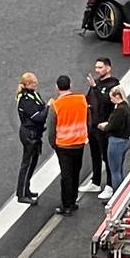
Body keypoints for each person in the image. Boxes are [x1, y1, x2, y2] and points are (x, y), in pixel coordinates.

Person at [50, 74, 90, 216]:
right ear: (70, 85)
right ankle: (73, 201)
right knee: (75, 172)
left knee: (66, 175)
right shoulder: (81, 99)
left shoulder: (56, 105)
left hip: (64, 145)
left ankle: (66, 205)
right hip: (79, 142)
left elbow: (51, 128)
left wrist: (53, 144)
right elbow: (88, 119)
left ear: (57, 87)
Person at [83, 59, 118, 191]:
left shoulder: (113, 84)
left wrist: (94, 87)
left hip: (104, 125)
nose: (97, 70)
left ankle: (109, 184)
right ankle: (95, 182)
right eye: (96, 67)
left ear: (108, 68)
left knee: (106, 156)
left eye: (100, 67)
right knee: (94, 154)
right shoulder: (96, 82)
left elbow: (106, 101)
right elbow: (89, 98)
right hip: (93, 124)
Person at [13, 73, 46, 205]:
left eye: (36, 82)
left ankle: (26, 189)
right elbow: (37, 116)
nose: (35, 85)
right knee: (26, 164)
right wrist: (48, 107)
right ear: (26, 85)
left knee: (32, 163)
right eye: (32, 83)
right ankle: (21, 193)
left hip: (35, 133)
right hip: (29, 134)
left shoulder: (34, 94)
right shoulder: (26, 99)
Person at [99, 86, 130, 199]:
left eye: (112, 98)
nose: (110, 100)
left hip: (116, 142)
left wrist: (103, 126)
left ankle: (117, 197)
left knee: (114, 171)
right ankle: (122, 194)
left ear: (117, 96)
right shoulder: (127, 108)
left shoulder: (119, 111)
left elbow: (111, 127)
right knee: (119, 169)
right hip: (125, 140)